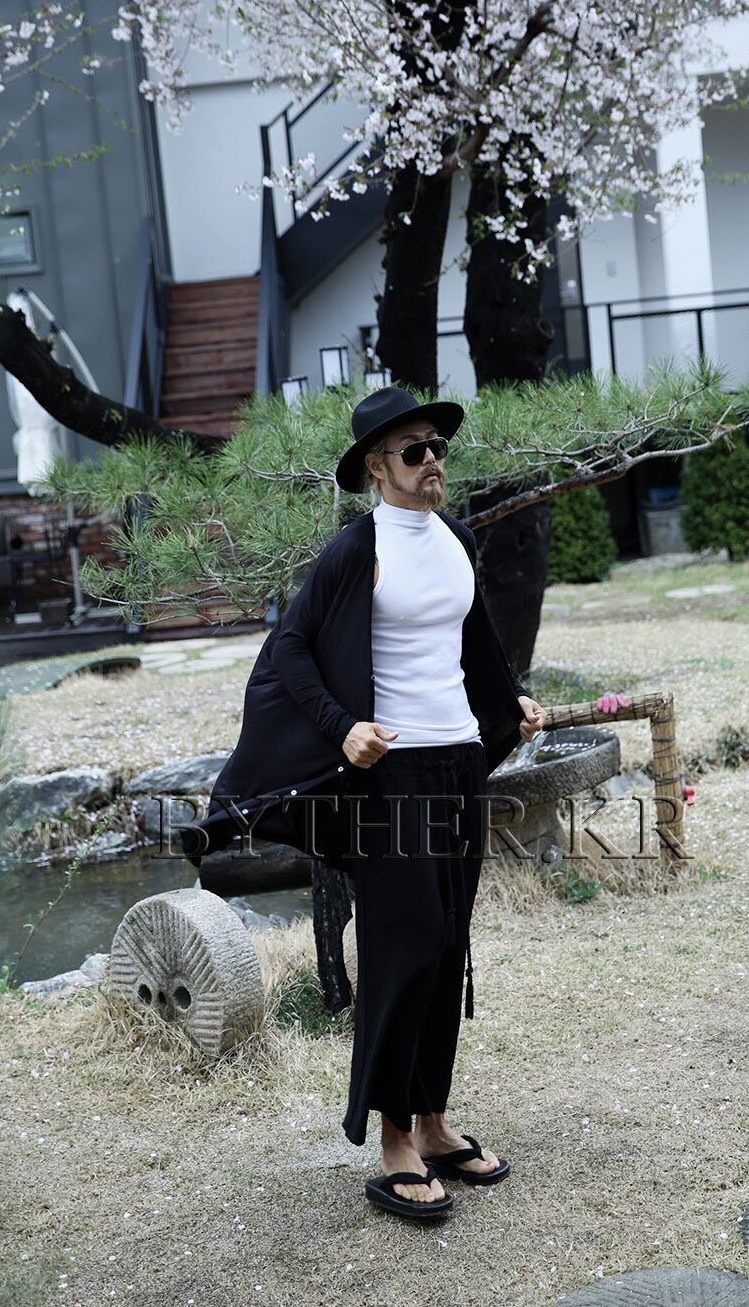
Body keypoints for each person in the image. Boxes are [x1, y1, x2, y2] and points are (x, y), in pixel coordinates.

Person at [181, 384, 627, 1222]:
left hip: (458, 764)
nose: (433, 461)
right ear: (376, 468)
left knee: (449, 941)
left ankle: (432, 1121)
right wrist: (342, 726)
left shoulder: (455, 539)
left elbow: (472, 644)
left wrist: (511, 701)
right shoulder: (358, 549)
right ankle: (392, 1141)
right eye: (414, 450)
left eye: (437, 447)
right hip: (390, 776)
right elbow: (289, 651)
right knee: (405, 944)